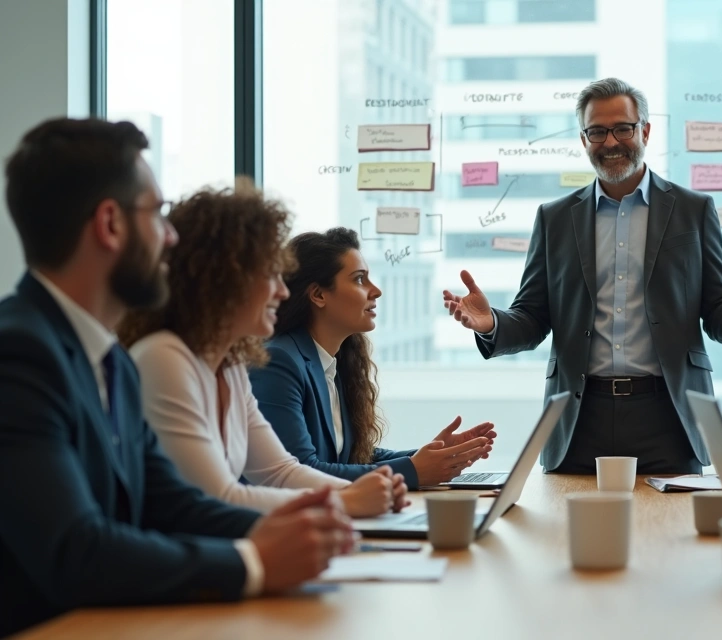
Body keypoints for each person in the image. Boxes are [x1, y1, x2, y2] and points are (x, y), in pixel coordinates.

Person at [0, 118, 354, 636]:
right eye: (159, 214)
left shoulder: (111, 360)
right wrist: (253, 563)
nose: (170, 238)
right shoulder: (20, 355)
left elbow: (173, 503)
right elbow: (79, 551)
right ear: (110, 224)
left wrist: (306, 530)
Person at [441, 77, 722, 474]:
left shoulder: (693, 210)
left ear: (644, 129)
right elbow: (532, 318)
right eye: (597, 131)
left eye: (623, 128)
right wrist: (490, 323)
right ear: (583, 139)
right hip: (578, 416)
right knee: (571, 533)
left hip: (670, 415)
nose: (611, 142)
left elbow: (717, 314)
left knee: (671, 534)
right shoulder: (554, 218)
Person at [116, 184, 408, 517]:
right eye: (270, 274)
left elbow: (281, 471)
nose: (283, 291)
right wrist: (346, 500)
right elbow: (219, 497)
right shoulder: (164, 358)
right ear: (224, 279)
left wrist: (372, 493)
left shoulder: (230, 366)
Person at [249, 228, 495, 489]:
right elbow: (300, 473)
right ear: (318, 295)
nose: (375, 290)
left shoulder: (333, 361)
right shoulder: (278, 362)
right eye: (359, 280)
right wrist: (413, 471)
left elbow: (353, 455)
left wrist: (431, 456)